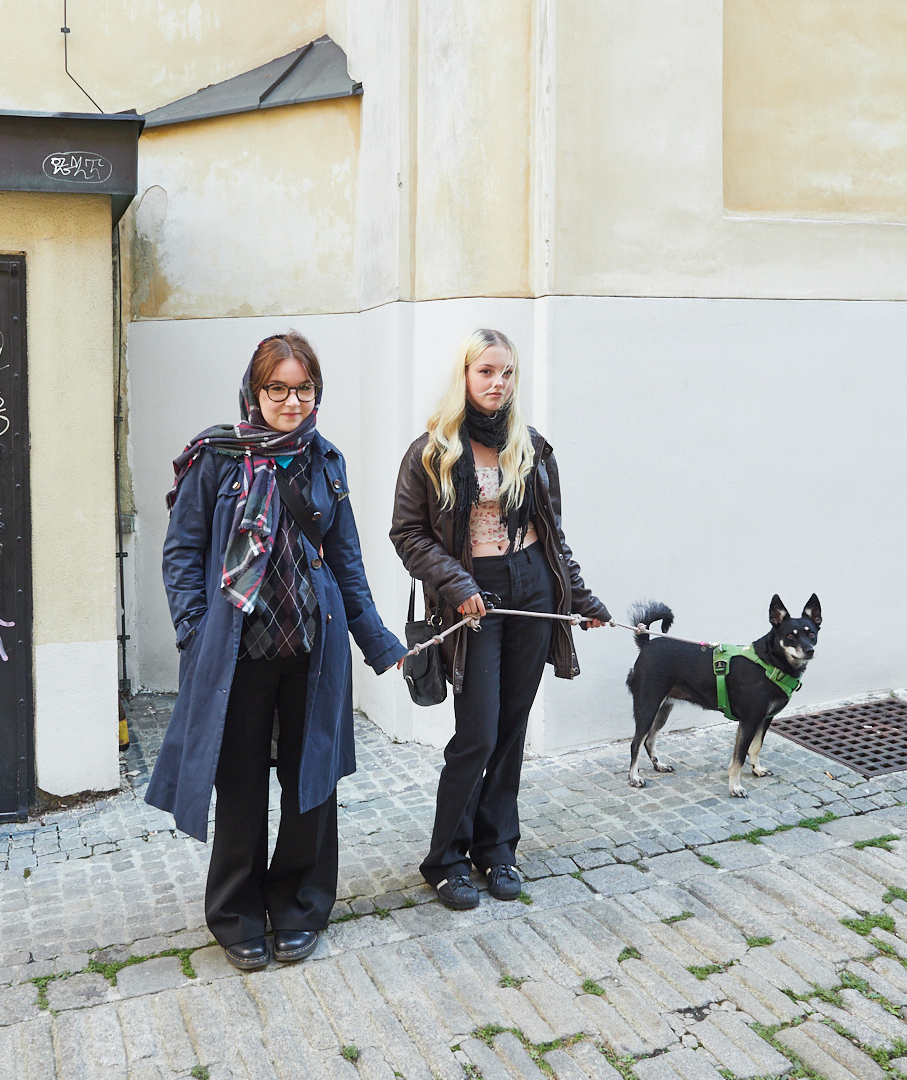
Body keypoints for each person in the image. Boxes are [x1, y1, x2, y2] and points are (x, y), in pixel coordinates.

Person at [148, 332, 407, 970]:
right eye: (278, 389)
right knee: (239, 787)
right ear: (255, 390)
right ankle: (237, 914)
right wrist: (193, 630)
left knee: (309, 782)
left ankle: (299, 906)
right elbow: (182, 552)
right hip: (238, 653)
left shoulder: (326, 460)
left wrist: (378, 641)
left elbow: (346, 561)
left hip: (313, 655)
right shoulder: (217, 457)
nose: (291, 402)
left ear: (316, 392)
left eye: (303, 389)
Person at [390, 328, 611, 910]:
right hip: (473, 598)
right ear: (464, 376)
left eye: (507, 372)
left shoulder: (531, 446)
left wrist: (580, 597)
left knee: (511, 729)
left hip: (533, 589)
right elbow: (408, 534)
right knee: (478, 734)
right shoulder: (431, 450)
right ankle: (446, 859)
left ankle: (497, 848)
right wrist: (458, 583)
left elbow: (553, 534)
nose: (498, 383)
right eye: (486, 371)